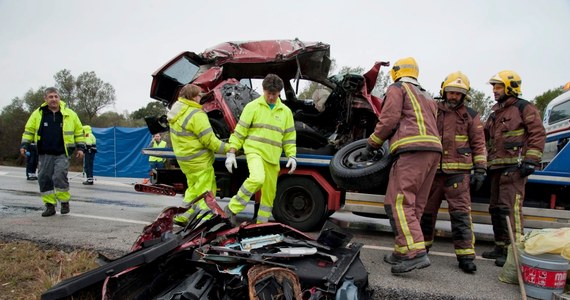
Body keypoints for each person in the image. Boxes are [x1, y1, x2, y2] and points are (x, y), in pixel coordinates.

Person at [362, 57, 442, 274]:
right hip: (433, 151)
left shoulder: (398, 88)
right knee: (414, 204)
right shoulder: (427, 95)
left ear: (397, 72)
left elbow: (388, 119)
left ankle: (414, 253)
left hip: (411, 149)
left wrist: (372, 143)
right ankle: (401, 250)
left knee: (398, 202)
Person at [419, 71, 487, 273]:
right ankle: (421, 250)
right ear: (444, 91)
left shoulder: (471, 115)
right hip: (433, 172)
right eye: (451, 92)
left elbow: (479, 143)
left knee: (460, 216)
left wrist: (481, 169)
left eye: (458, 93)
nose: (454, 96)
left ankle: (466, 257)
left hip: (459, 173)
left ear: (464, 95)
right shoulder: (433, 109)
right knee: (425, 215)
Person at [482, 70, 546, 266]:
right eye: (493, 86)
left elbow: (537, 133)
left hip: (515, 167)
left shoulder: (524, 108)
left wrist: (531, 159)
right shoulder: (495, 113)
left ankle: (514, 253)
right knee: (496, 209)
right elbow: (484, 137)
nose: (494, 90)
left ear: (510, 87)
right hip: (496, 168)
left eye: (498, 86)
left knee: (511, 210)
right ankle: (500, 247)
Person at [224, 74, 297, 225]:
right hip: (255, 151)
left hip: (273, 157)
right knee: (257, 178)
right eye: (268, 93)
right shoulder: (252, 107)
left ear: (279, 93)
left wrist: (292, 156)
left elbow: (289, 137)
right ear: (263, 90)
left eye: (274, 94)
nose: (271, 97)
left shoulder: (286, 112)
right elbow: (240, 132)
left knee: (269, 194)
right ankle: (231, 209)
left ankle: (261, 224)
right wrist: (231, 152)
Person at [167, 84, 230, 226]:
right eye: (199, 95)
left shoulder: (176, 112)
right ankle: (204, 220)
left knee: (194, 189)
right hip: (200, 160)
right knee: (206, 192)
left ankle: (183, 215)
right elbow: (211, 142)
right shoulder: (197, 114)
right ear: (194, 97)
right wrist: (230, 148)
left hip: (185, 160)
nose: (201, 97)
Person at [20, 87, 85, 217]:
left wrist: (81, 148)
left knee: (59, 176)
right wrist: (24, 145)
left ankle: (64, 202)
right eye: (51, 97)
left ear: (59, 98)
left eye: (56, 96)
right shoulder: (38, 113)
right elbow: (29, 130)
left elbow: (79, 131)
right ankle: (50, 206)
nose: (54, 99)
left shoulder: (70, 114)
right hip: (44, 153)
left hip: (62, 152)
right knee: (44, 178)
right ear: (45, 99)